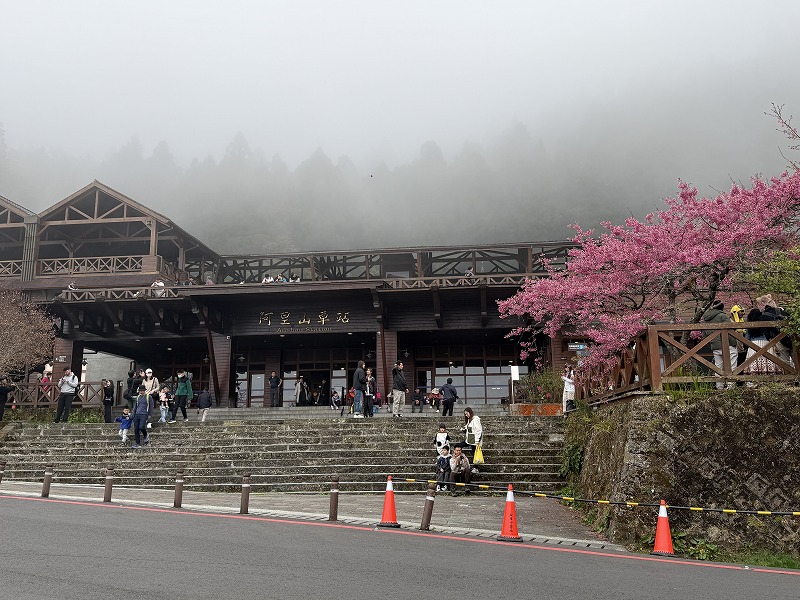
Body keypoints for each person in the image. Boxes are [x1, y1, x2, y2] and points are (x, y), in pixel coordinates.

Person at [702, 300, 737, 389]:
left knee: (718, 367)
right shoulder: (723, 316)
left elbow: (704, 334)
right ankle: (730, 385)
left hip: (715, 346)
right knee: (731, 363)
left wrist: (710, 344)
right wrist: (733, 343)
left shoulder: (707, 319)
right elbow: (730, 330)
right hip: (727, 345)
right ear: (722, 308)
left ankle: (719, 386)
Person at [755, 294, 794, 368]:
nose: (758, 306)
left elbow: (766, 333)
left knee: (784, 362)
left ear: (763, 304)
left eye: (758, 304)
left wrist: (771, 341)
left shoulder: (764, 316)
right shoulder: (782, 311)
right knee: (796, 359)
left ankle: (787, 377)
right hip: (791, 338)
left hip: (778, 340)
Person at [131, 384, 153, 448]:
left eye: (142, 390)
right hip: (137, 414)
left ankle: (145, 435)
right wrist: (133, 413)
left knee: (141, 427)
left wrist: (149, 414)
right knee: (136, 429)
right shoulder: (138, 397)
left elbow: (151, 406)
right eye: (140, 390)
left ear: (145, 391)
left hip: (144, 414)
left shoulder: (148, 397)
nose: (141, 392)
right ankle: (137, 443)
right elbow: (136, 406)